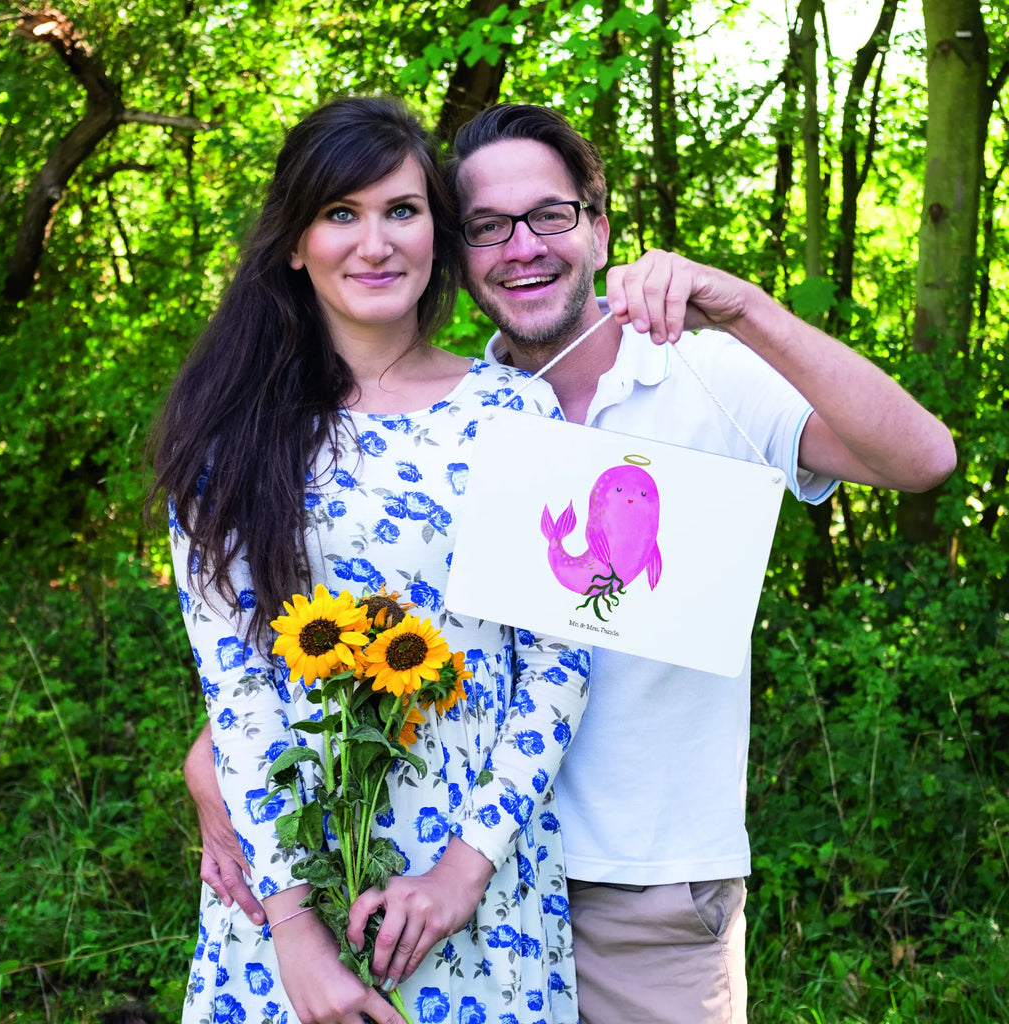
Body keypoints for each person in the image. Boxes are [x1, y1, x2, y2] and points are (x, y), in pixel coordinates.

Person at [187, 102, 957, 1024]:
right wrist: (220, 769)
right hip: (412, 876)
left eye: (550, 215)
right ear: (459, 251)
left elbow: (923, 461)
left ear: (597, 225)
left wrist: (745, 306)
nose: (522, 247)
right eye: (487, 227)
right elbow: (322, 631)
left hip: (639, 888)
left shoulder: (698, 373)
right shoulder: (448, 418)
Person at [150, 97, 593, 1024]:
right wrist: (296, 937)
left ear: (437, 229)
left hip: (477, 887)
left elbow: (559, 662)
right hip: (288, 887)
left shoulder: (516, 414)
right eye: (340, 214)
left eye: (401, 210)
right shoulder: (229, 438)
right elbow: (237, 692)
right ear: (294, 244)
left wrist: (463, 872)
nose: (375, 242)